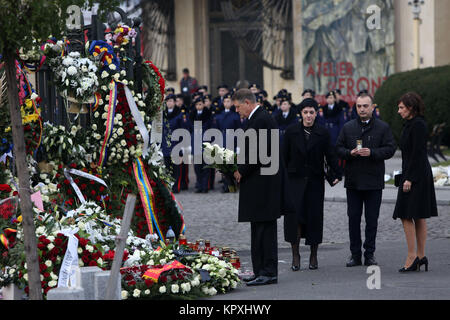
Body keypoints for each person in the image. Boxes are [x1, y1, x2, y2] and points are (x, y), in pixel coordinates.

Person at [336, 92, 396, 267]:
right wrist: (349, 153)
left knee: (372, 220)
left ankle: (369, 254)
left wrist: (373, 153)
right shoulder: (348, 127)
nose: (362, 109)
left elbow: (391, 148)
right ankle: (355, 254)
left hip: (373, 181)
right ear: (356, 107)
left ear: (372, 107)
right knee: (353, 219)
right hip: (354, 182)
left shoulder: (382, 127)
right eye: (359, 106)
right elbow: (338, 148)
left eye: (365, 106)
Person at [283, 98, 342, 271]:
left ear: (316, 114)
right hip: (295, 181)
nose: (308, 116)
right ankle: (295, 254)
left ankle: (313, 255)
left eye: (311, 112)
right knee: (295, 218)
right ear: (300, 114)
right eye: (305, 112)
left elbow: (330, 155)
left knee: (314, 218)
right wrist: (283, 180)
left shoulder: (322, 133)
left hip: (315, 181)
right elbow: (284, 157)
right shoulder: (291, 131)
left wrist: (336, 173)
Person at [232, 89, 282, 286]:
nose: (237, 111)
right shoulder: (257, 118)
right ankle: (260, 269)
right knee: (258, 229)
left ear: (247, 102)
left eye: (238, 107)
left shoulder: (261, 119)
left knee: (265, 230)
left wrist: (240, 171)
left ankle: (268, 272)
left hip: (264, 184)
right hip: (259, 184)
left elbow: (259, 153)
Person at [393, 92, 438, 272]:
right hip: (415, 172)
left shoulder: (418, 125)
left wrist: (409, 178)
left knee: (406, 214)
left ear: (410, 108)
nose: (398, 111)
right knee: (418, 215)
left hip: (416, 175)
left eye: (401, 108)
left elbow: (418, 153)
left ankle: (413, 256)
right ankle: (420, 256)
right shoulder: (411, 124)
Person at [214, 93, 242, 193]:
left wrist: (239, 146)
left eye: (229, 101)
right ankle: (226, 185)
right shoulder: (219, 115)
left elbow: (239, 130)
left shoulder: (235, 115)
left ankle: (233, 185)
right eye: (225, 101)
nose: (227, 103)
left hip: (232, 142)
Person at [161, 94, 185, 193]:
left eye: (171, 101)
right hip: (166, 145)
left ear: (175, 102)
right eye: (167, 101)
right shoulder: (163, 114)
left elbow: (183, 131)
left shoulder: (179, 115)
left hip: (176, 145)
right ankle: (169, 186)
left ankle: (176, 187)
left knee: (176, 169)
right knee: (167, 167)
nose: (169, 103)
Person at [188, 96, 212, 193]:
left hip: (206, 143)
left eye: (200, 104)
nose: (199, 106)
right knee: (197, 167)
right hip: (195, 143)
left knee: (206, 166)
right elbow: (189, 129)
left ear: (203, 105)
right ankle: (199, 185)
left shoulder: (208, 114)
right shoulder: (192, 115)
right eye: (197, 104)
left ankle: (205, 186)